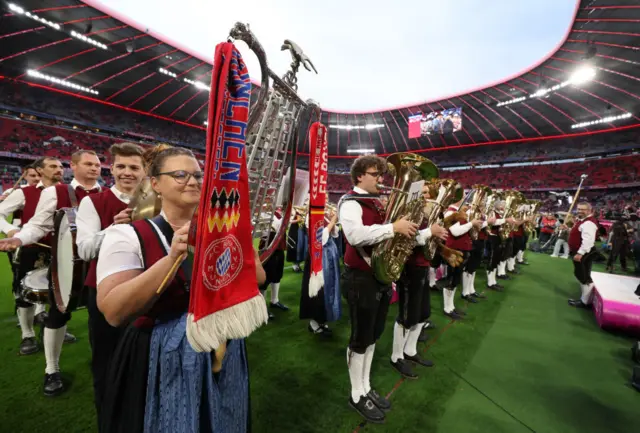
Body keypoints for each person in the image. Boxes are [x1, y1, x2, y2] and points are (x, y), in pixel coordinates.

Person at [96, 147, 264, 433]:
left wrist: (240, 244)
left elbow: (257, 279)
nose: (193, 181)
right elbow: (113, 311)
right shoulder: (127, 234)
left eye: (198, 175)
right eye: (179, 175)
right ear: (155, 184)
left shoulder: (221, 229)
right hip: (159, 354)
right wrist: (172, 258)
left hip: (222, 345)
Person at [0, 150, 103, 396]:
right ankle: (51, 368)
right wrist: (20, 238)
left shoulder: (108, 194)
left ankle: (103, 362)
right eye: (88, 164)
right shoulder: (55, 192)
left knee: (100, 318)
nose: (94, 168)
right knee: (57, 314)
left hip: (99, 268)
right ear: (74, 166)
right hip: (64, 264)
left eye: (97, 165)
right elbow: (38, 225)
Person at [339, 155, 418, 423]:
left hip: (378, 279)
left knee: (372, 336)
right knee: (360, 338)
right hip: (360, 279)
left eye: (382, 175)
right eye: (376, 174)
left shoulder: (376, 203)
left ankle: (365, 387)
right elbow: (355, 236)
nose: (382, 180)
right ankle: (356, 394)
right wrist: (392, 227)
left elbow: (389, 235)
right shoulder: (350, 203)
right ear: (360, 175)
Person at [76, 143, 145, 428]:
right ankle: (109, 419)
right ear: (112, 168)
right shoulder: (94, 202)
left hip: (147, 291)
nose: (127, 173)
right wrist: (112, 230)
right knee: (106, 360)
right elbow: (84, 250)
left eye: (134, 167)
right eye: (121, 166)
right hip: (105, 292)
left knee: (142, 359)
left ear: (144, 172)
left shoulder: (157, 200)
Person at [0, 158, 63, 355]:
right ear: (40, 170)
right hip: (29, 247)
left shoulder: (66, 192)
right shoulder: (23, 192)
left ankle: (55, 327)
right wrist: (11, 231)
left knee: (59, 293)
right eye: (53, 166)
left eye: (61, 166)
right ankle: (27, 335)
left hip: (58, 249)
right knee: (24, 292)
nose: (59, 170)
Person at [390, 184, 447, 379]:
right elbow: (410, 239)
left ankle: (410, 350)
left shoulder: (429, 213)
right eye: (421, 193)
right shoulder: (407, 213)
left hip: (423, 266)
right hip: (410, 267)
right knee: (407, 315)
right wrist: (431, 231)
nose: (425, 196)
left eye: (426, 193)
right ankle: (396, 356)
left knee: (422, 314)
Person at [299, 205, 341, 336]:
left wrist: (332, 221)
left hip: (328, 255)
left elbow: (335, 232)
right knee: (319, 289)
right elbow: (320, 239)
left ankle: (322, 320)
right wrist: (333, 220)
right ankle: (314, 323)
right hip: (319, 257)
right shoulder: (310, 216)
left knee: (328, 288)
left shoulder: (323, 215)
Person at [443, 197, 483, 319]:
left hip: (461, 249)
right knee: (451, 279)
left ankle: (451, 306)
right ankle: (447, 308)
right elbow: (455, 232)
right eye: (463, 196)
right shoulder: (450, 212)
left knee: (455, 279)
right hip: (454, 250)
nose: (466, 199)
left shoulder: (460, 212)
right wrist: (472, 223)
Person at [567, 202, 599, 309]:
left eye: (583, 209)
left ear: (589, 210)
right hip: (582, 252)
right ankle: (585, 299)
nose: (580, 211)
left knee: (583, 276)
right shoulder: (584, 221)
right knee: (582, 275)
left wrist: (580, 253)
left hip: (583, 253)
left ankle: (585, 302)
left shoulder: (588, 223)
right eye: (579, 209)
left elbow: (588, 240)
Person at [259, 208, 289, 319]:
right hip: (267, 251)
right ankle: (262, 309)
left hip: (279, 249)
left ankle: (274, 300)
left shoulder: (278, 212)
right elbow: (275, 227)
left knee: (277, 276)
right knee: (265, 280)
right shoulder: (262, 213)